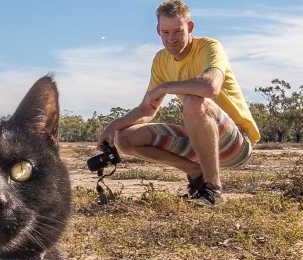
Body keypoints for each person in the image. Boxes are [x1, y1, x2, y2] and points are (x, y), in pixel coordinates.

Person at [97, 0, 260, 205]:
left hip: (236, 144)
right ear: (158, 30)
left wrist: (166, 87)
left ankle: (213, 191)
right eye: (165, 32)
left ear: (190, 27)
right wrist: (113, 126)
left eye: (178, 31)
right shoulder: (160, 60)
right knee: (125, 139)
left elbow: (210, 87)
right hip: (201, 144)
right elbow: (147, 108)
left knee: (194, 101)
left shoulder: (209, 47)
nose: (171, 39)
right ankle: (196, 173)